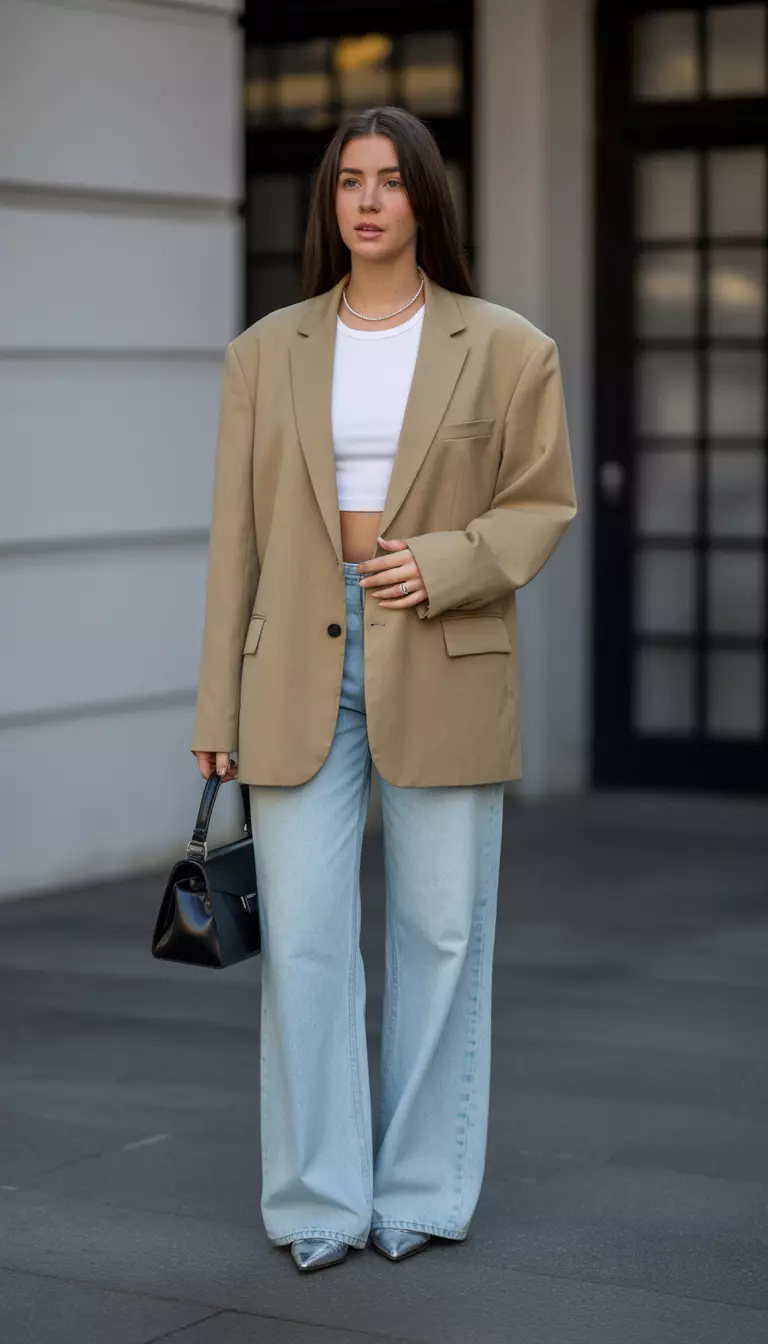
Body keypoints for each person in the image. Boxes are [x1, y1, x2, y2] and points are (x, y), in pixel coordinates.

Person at [191, 105, 577, 1273]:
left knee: (440, 935)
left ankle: (419, 1188)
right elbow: (237, 542)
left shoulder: (507, 345)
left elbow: (540, 502)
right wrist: (216, 711)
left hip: (440, 648)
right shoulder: (268, 349)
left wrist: (450, 561)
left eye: (390, 180)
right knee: (306, 938)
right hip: (294, 665)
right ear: (331, 204)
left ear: (425, 200)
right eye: (349, 181)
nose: (367, 200)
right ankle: (317, 1201)